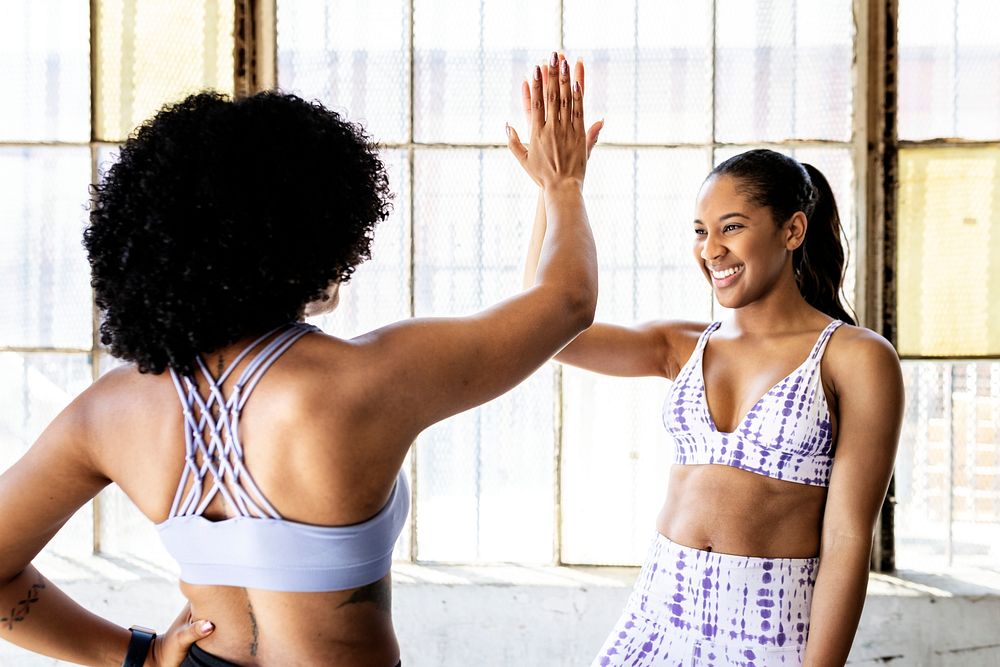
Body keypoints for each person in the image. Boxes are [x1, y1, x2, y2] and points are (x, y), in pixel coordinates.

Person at [0, 51, 600, 667]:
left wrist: (136, 658)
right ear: (310, 235)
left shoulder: (108, 412)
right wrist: (564, 184)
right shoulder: (367, 379)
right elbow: (565, 302)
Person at [520, 148, 903, 666]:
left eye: (731, 227)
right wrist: (557, 187)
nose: (712, 250)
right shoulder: (682, 345)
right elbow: (546, 329)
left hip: (770, 628)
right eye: (700, 231)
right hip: (658, 615)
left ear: (792, 231)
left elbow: (847, 536)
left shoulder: (855, 357)